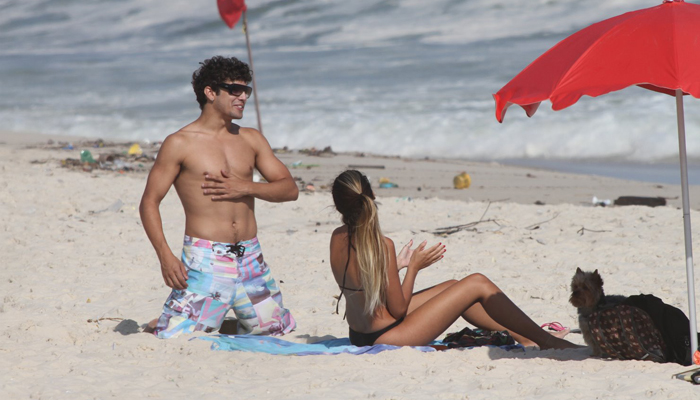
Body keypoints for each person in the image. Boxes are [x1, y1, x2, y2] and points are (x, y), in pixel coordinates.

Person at [329, 170, 578, 349]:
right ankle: (548, 341)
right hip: (388, 335)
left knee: (453, 286)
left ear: (339, 206)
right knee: (477, 283)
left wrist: (396, 266)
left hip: (359, 333)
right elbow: (398, 309)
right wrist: (413, 268)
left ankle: (526, 337)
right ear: (371, 195)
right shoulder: (382, 245)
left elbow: (361, 286)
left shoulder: (336, 238)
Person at [141, 56, 297, 339]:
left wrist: (245, 187)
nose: (243, 97)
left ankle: (222, 319)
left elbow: (289, 189)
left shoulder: (251, 139)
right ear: (210, 92)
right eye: (234, 90)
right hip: (206, 258)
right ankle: (172, 319)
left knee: (274, 330)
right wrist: (165, 255)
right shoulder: (180, 143)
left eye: (246, 90)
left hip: (250, 256)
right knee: (176, 335)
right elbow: (149, 202)